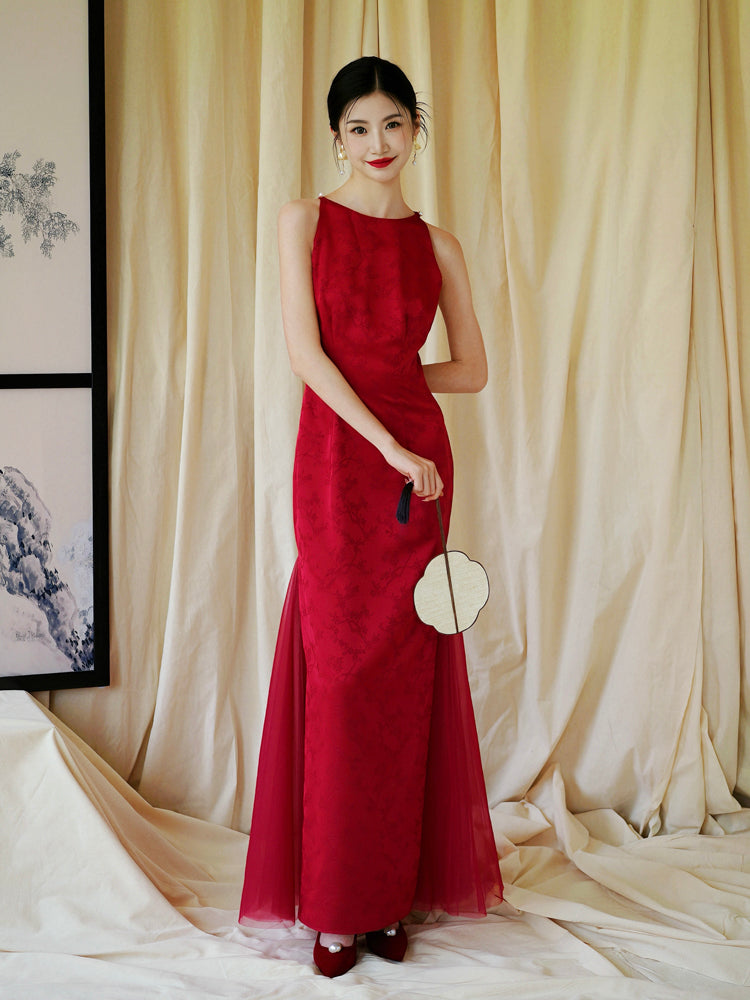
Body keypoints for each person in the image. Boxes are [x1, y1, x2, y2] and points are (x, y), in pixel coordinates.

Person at [239, 56, 502, 978]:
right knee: (342, 676)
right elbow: (305, 356)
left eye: (394, 124)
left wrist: (401, 402)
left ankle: (389, 899)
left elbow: (469, 371)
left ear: (416, 130)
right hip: (343, 469)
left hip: (418, 476)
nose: (379, 144)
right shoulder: (302, 221)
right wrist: (385, 436)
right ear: (336, 137)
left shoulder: (440, 245)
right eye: (359, 128)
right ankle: (335, 908)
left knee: (401, 680)